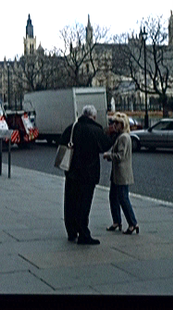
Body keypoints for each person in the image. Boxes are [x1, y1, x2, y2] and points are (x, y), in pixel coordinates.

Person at [59, 105, 112, 245]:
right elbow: (105, 145)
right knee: (84, 204)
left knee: (70, 202)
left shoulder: (72, 128)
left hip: (71, 171)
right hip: (88, 173)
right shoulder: (95, 130)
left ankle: (71, 231)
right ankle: (83, 233)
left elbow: (62, 142)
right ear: (93, 117)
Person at [104, 112, 139, 235]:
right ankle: (117, 221)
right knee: (113, 197)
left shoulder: (124, 137)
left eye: (117, 123)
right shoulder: (120, 136)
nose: (114, 125)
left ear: (123, 124)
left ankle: (132, 223)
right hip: (117, 173)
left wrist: (109, 155)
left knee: (123, 198)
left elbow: (120, 156)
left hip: (122, 173)